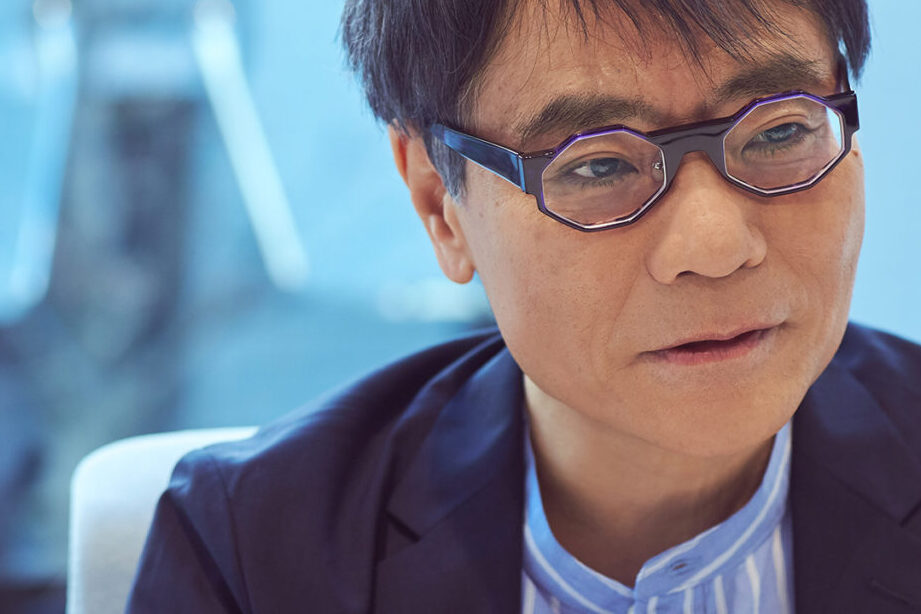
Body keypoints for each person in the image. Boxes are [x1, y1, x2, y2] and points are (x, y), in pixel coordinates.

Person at [126, 0, 921, 612]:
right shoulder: (253, 549)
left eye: (779, 133)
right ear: (439, 203)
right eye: (598, 165)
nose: (714, 246)